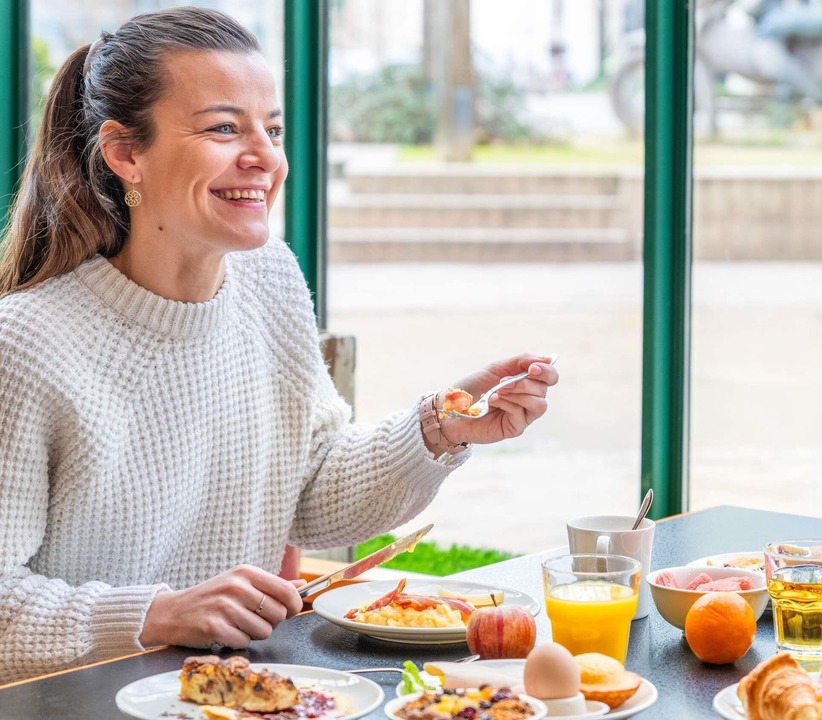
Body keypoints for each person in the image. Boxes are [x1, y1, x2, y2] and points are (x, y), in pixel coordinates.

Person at [0, 8, 558, 684]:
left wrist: (438, 429)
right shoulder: (26, 344)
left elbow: (316, 495)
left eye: (272, 128)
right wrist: (158, 615)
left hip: (238, 692)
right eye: (224, 128)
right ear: (125, 154)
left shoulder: (270, 281)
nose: (264, 157)